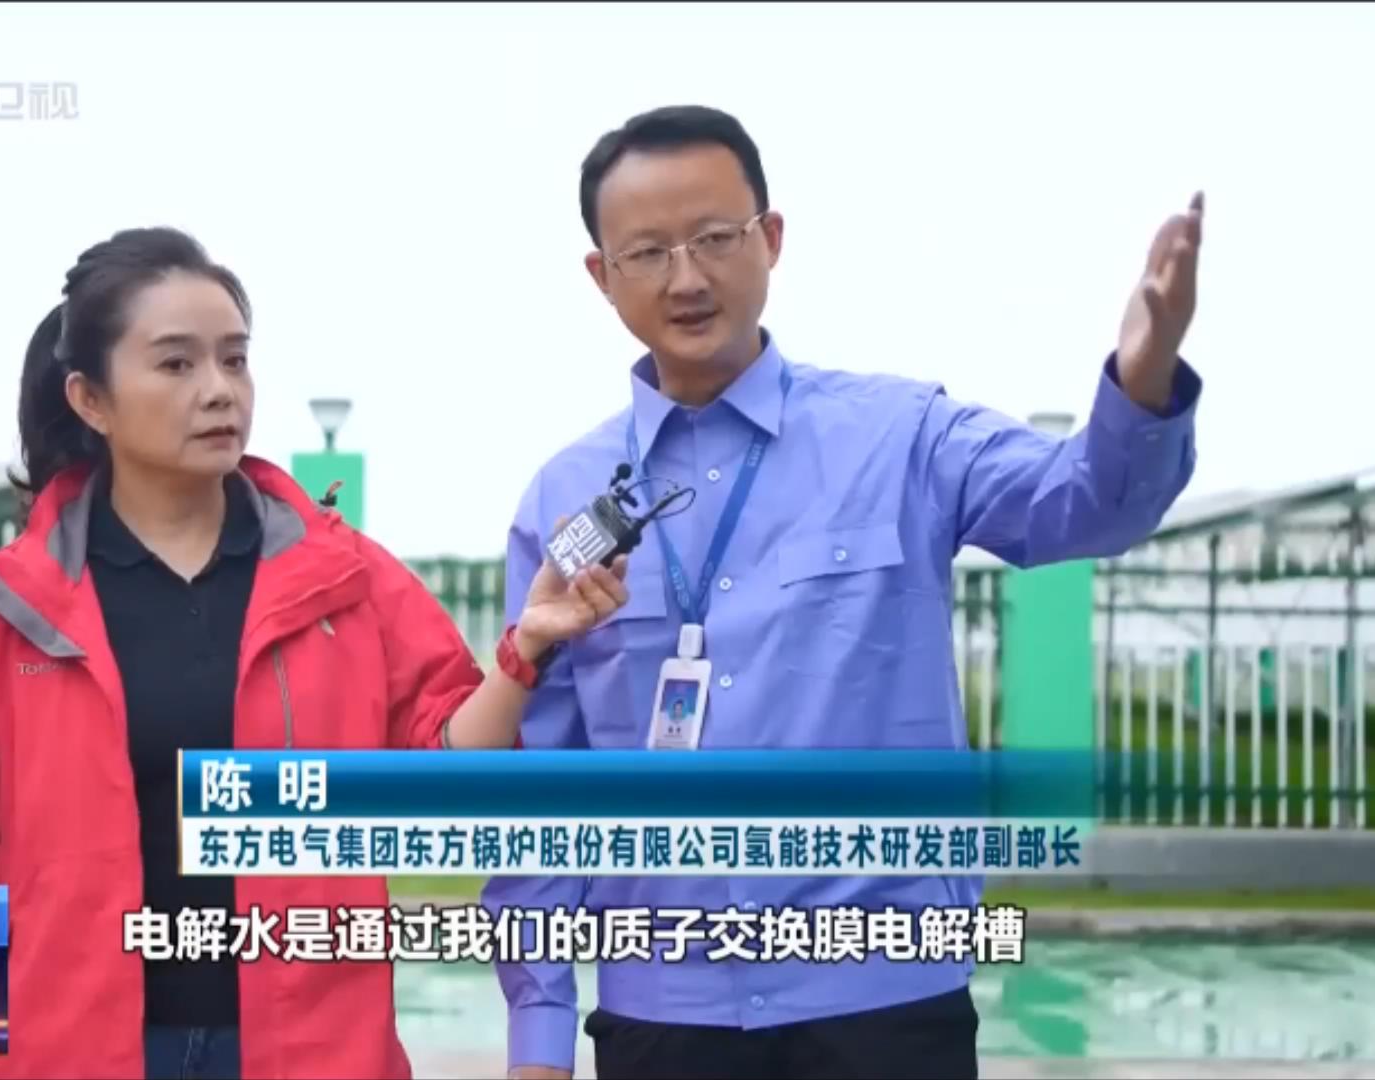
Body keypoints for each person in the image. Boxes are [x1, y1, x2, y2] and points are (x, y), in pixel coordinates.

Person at [484, 105, 1203, 1080]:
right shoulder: (564, 503)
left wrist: (1143, 380)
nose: (686, 278)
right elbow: (537, 793)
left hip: (886, 1009)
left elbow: (1082, 506)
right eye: (647, 252)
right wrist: (538, 1034)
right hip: (662, 1020)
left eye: (715, 238)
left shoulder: (901, 437)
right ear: (601, 275)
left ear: (771, 239)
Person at [0, 227, 631, 1080]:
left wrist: (525, 650)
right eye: (177, 364)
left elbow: (444, 776)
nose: (219, 390)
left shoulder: (345, 580)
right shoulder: (13, 609)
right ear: (91, 399)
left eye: (234, 360)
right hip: (73, 1054)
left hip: (312, 1054)